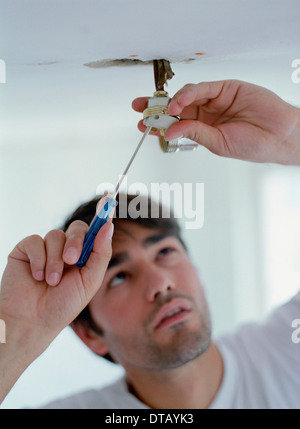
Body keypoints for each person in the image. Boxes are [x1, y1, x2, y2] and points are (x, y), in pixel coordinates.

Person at [0, 79, 299, 409]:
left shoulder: (288, 350)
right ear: (90, 335)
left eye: (165, 252)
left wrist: (292, 139)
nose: (160, 283)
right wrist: (14, 334)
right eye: (120, 276)